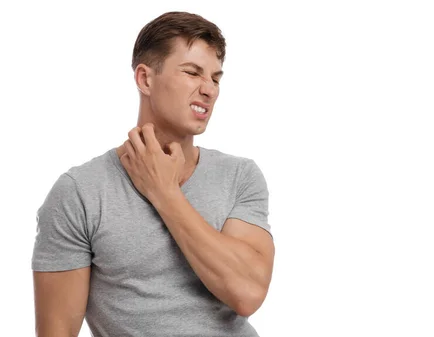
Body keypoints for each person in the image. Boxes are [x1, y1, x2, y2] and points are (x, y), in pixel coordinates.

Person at [31, 11, 274, 337]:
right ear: (145, 79)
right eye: (192, 72)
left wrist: (165, 193)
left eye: (215, 78)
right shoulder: (80, 192)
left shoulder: (239, 176)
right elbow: (56, 331)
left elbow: (247, 293)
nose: (209, 90)